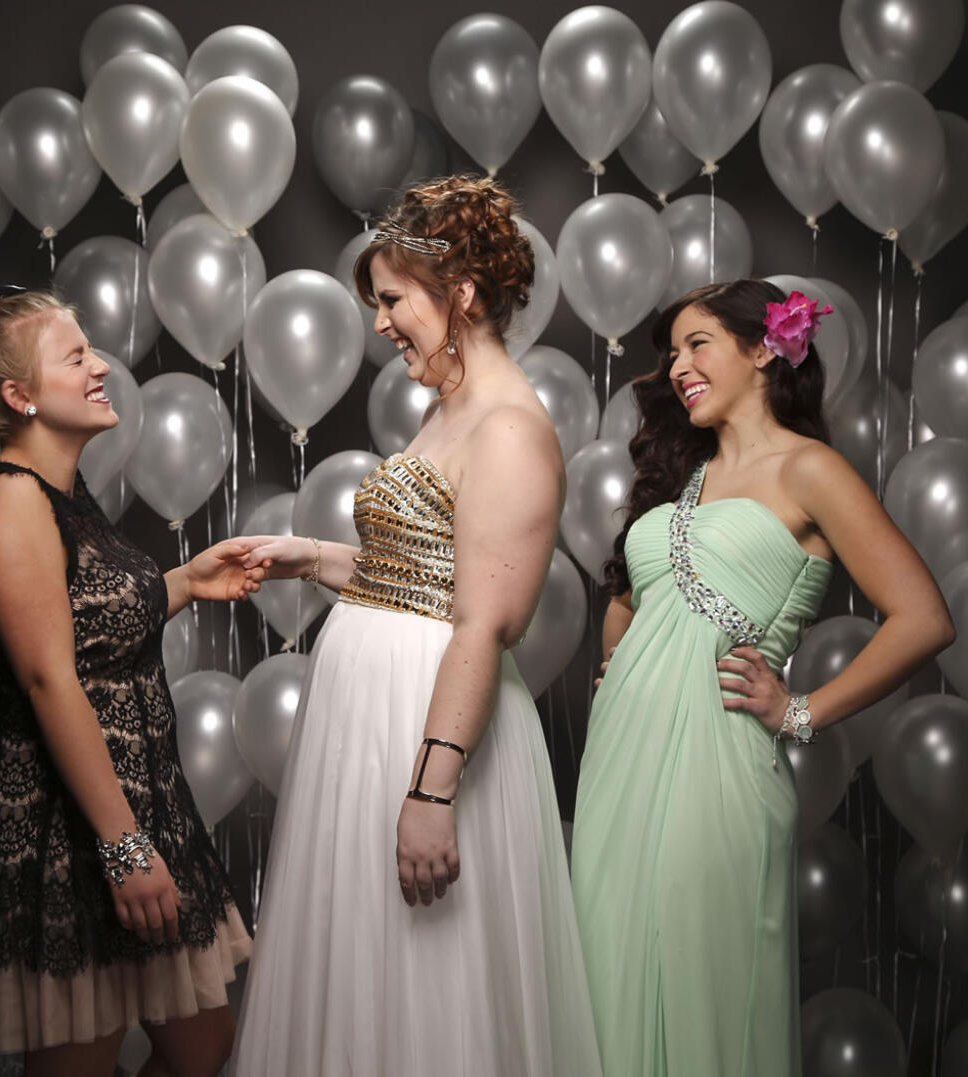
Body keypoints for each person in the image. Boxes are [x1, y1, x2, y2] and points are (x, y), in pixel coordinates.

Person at [228, 176, 602, 1076]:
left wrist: (432, 795)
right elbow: (423, 579)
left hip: (430, 730)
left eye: (394, 300)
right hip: (373, 718)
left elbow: (480, 621)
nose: (383, 324)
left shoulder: (510, 428)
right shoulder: (449, 406)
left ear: (460, 292)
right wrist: (311, 556)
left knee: (430, 982)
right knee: (362, 964)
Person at [571, 279, 955, 1076]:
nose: (678, 367)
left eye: (697, 343)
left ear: (762, 350)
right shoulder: (679, 481)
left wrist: (801, 711)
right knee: (603, 1002)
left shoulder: (810, 470)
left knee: (704, 1011)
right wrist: (628, 662)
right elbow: (628, 602)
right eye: (671, 354)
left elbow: (924, 617)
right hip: (618, 770)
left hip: (715, 772)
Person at [0, 284, 260, 1077]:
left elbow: (94, 630)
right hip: (70, 828)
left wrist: (185, 580)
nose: (101, 366)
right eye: (76, 357)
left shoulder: (67, 496)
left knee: (202, 1047)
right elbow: (50, 682)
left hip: (143, 800)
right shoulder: (7, 505)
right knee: (79, 1059)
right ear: (19, 395)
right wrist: (123, 846)